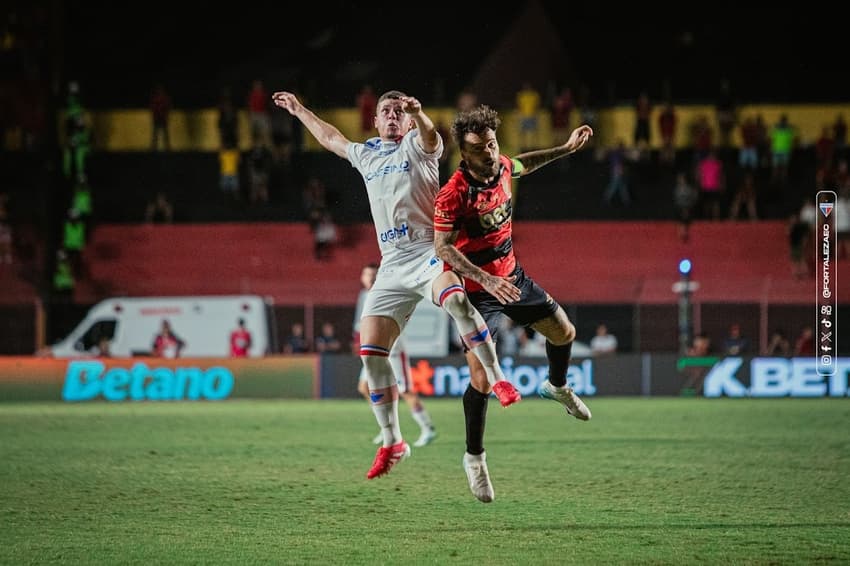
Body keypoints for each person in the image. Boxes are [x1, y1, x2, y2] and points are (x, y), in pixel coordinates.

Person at [272, 89, 519, 480]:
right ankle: (393, 441)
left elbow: (432, 138)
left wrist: (418, 115)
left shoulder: (418, 146)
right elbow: (332, 138)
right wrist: (301, 109)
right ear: (374, 120)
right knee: (370, 352)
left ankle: (499, 379)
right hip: (391, 265)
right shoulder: (367, 155)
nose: (391, 116)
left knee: (456, 302)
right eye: (385, 111)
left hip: (426, 252)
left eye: (397, 112)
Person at [434, 104, 593, 503]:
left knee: (565, 332)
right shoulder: (454, 194)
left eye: (491, 143)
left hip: (513, 277)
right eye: (479, 148)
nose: (489, 152)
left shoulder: (502, 166)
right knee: (481, 379)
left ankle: (556, 386)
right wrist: (485, 279)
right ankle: (474, 458)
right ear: (463, 154)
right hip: (477, 293)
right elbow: (442, 248)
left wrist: (565, 149)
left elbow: (523, 164)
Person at [354, 263, 437, 448]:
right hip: (372, 348)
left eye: (373, 275)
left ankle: (427, 428)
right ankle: (386, 428)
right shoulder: (364, 297)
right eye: (367, 274)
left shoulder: (386, 291)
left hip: (392, 348)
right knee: (365, 387)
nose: (370, 278)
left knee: (405, 390)